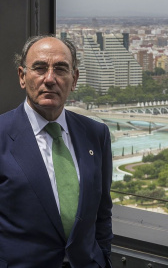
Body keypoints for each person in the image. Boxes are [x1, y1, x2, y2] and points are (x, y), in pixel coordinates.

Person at [0, 35, 113, 268]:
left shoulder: (96, 134)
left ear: (74, 79)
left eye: (60, 69)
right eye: (39, 68)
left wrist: (103, 258)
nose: (49, 79)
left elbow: (102, 212)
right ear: (22, 76)